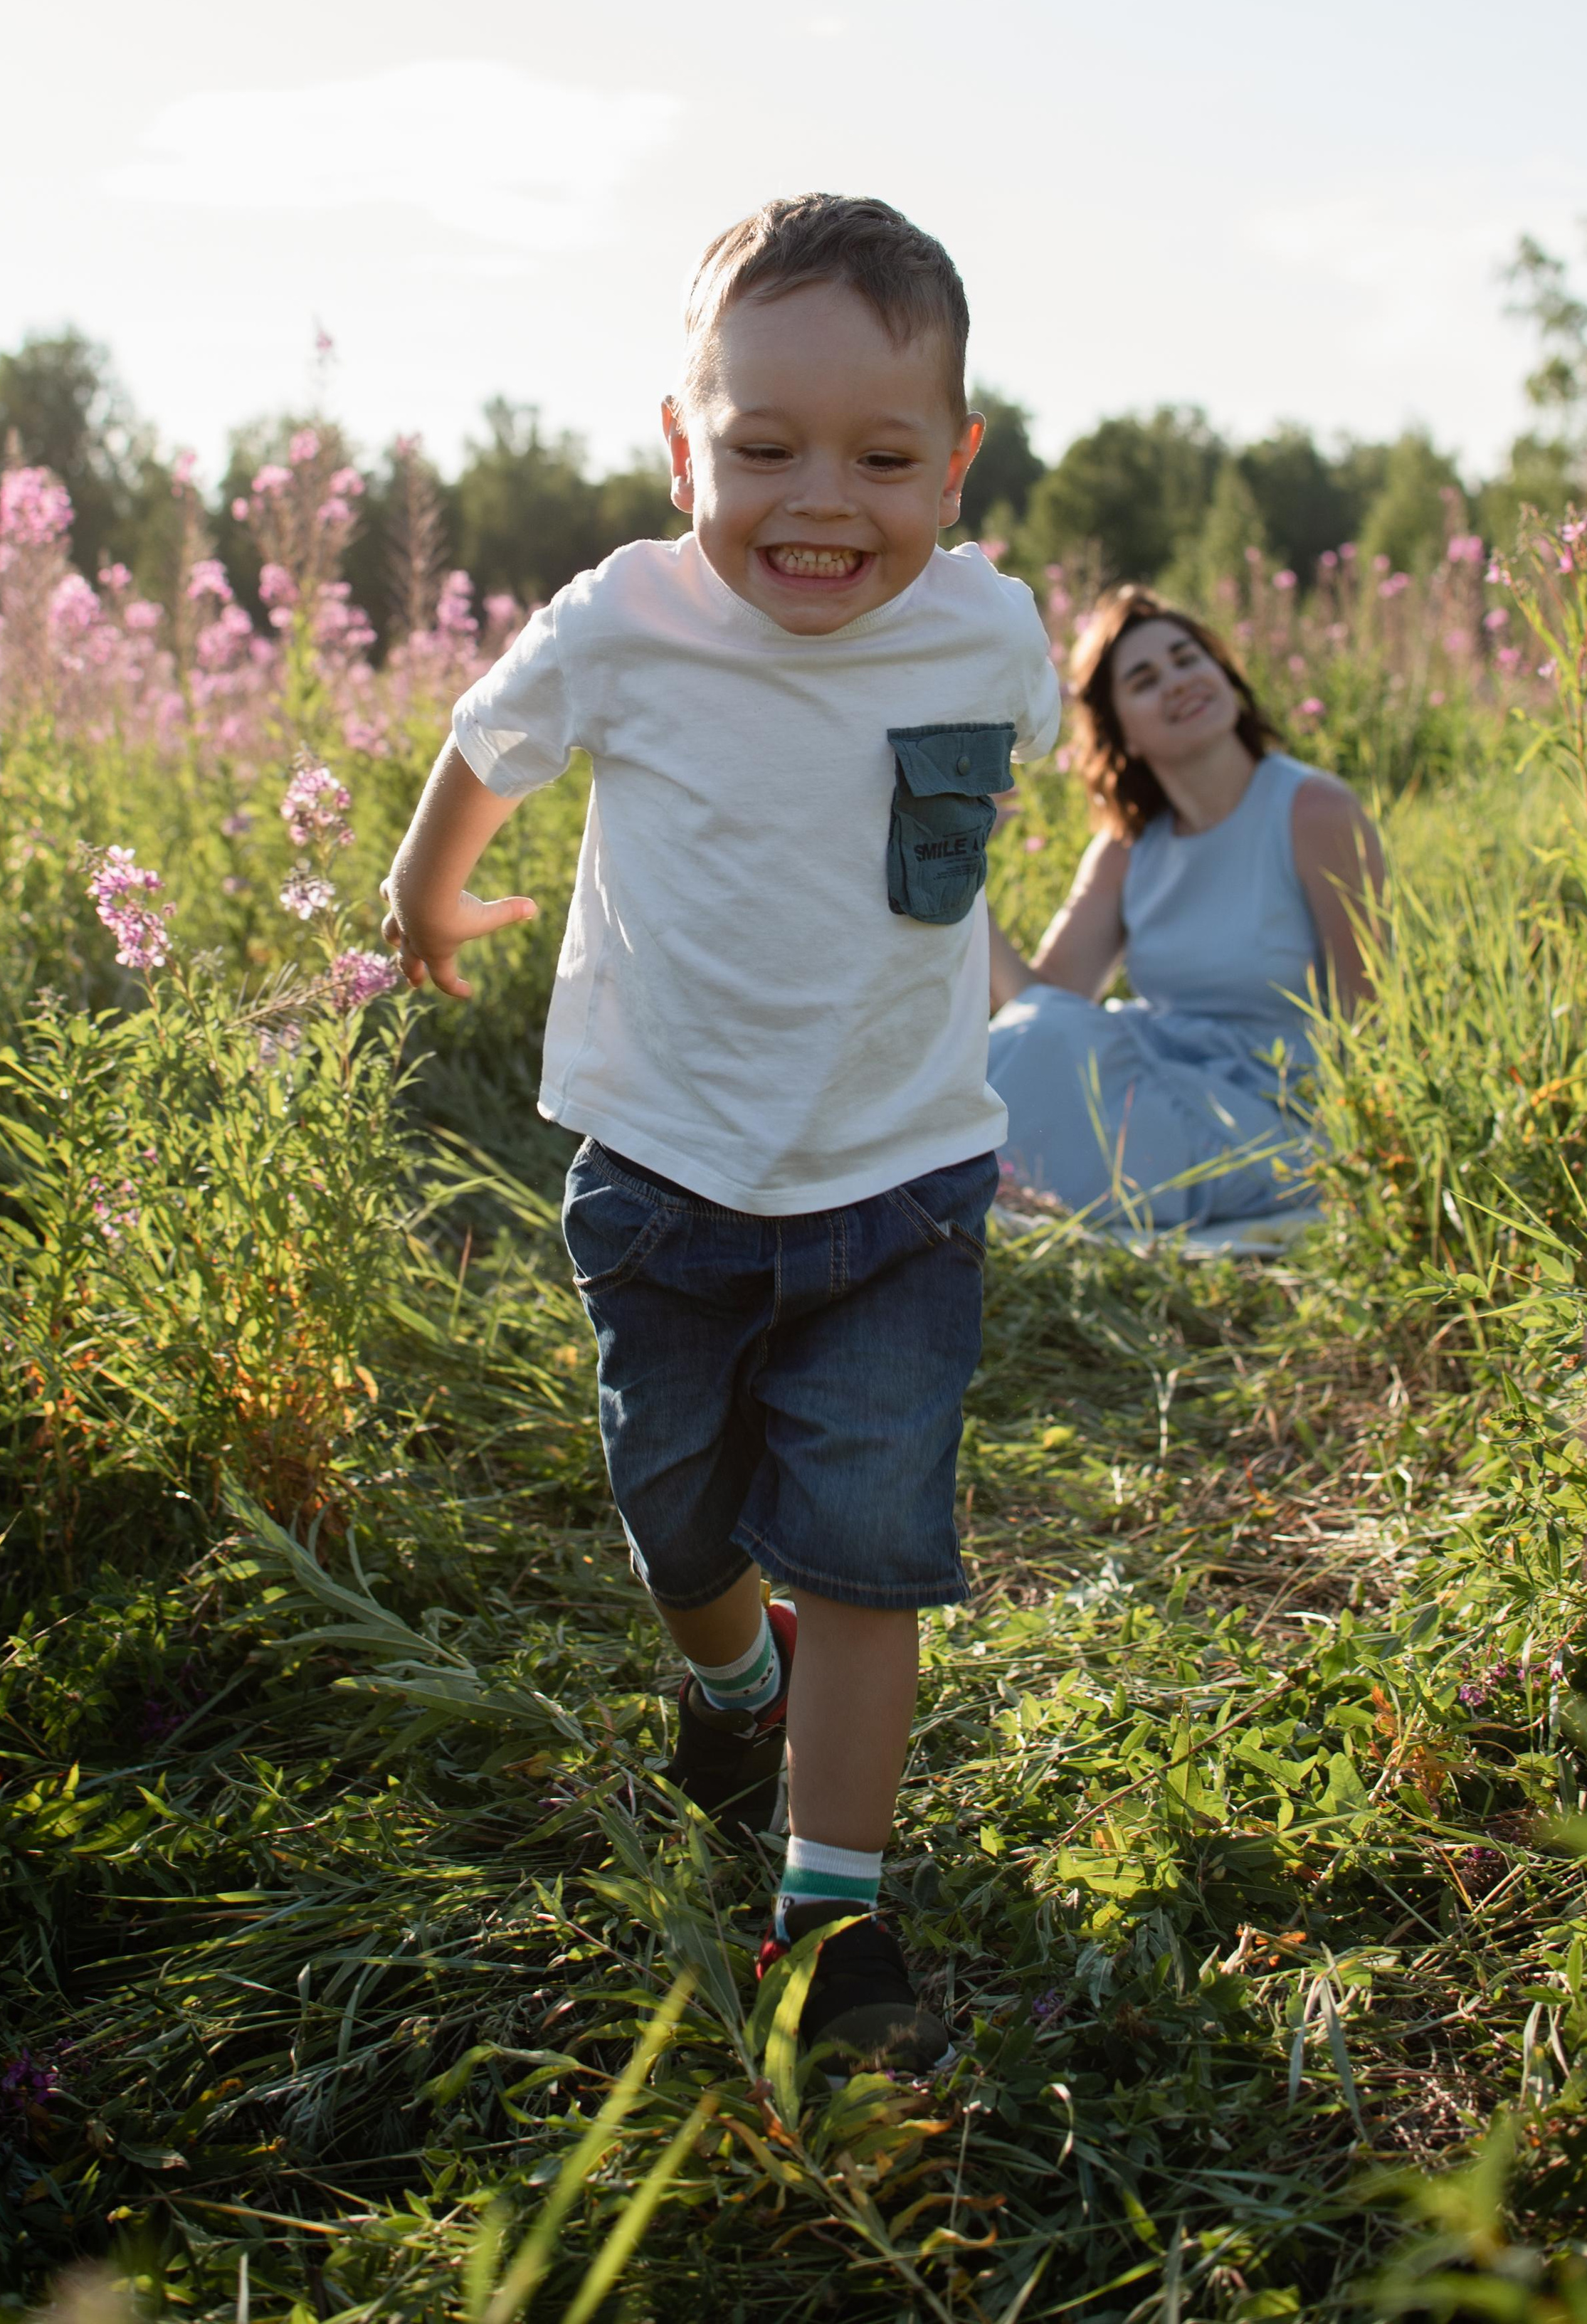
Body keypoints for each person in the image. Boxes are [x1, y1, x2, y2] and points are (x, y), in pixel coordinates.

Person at [379, 196, 1060, 2071]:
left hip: (902, 1184)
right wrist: (425, 900)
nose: (819, 498)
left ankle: (826, 1917)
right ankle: (723, 1680)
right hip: (663, 1172)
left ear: (958, 464)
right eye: (762, 449)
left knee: (860, 1550)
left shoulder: (992, 630)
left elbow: (972, 812)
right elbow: (482, 750)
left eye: (882, 454)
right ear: (684, 446)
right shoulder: (628, 623)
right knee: (679, 1513)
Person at [986, 586, 1383, 1230]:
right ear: (1124, 735)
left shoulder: (1315, 812)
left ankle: (999, 1190)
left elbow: (1370, 1014)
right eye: (1144, 680)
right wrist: (964, 874)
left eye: (1187, 658)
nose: (1177, 682)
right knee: (1031, 1035)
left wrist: (1369, 1156)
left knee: (1042, 1058)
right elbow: (1041, 1001)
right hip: (1159, 1078)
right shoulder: (1127, 849)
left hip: (1273, 1112)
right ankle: (957, 1182)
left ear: (1224, 675)